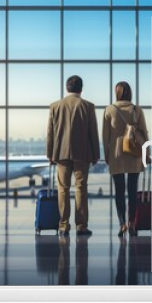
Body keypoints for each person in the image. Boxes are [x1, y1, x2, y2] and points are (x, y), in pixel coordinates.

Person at [47, 75, 100, 236]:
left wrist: (50, 154)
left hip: (61, 154)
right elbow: (93, 132)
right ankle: (81, 226)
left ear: (66, 88)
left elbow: (50, 133)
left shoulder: (55, 106)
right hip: (82, 153)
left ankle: (63, 225)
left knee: (63, 189)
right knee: (81, 189)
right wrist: (95, 154)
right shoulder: (88, 106)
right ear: (81, 89)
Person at [103, 81, 149, 237]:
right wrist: (146, 152)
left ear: (117, 93)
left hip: (117, 155)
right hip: (134, 153)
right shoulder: (137, 110)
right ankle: (132, 224)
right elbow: (144, 132)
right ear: (130, 93)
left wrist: (107, 153)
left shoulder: (109, 110)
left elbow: (105, 136)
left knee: (119, 191)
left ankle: (122, 223)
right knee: (132, 190)